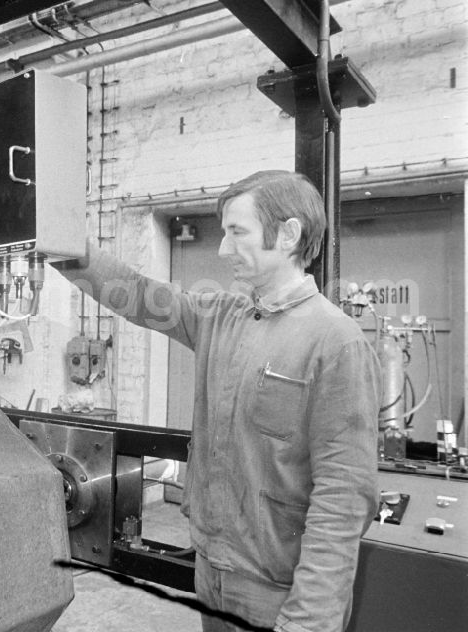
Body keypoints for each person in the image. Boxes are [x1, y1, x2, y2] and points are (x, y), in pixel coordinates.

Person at [53, 170, 379, 632]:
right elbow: (138, 295)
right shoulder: (221, 316)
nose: (224, 249)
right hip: (212, 574)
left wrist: (309, 621)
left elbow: (344, 499)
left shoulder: (335, 342)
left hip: (277, 593)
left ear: (289, 234)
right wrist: (62, 246)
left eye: (237, 232)